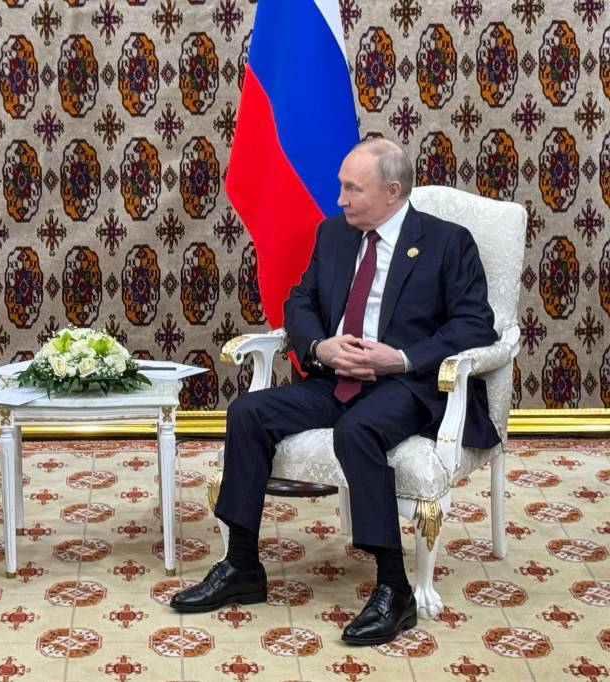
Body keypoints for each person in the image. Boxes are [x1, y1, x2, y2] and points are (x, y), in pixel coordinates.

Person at [170, 138, 500, 645]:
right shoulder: (334, 234)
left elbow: (476, 324)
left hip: (408, 385)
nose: (340, 198)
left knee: (358, 430)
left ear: (392, 191)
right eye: (341, 187)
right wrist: (320, 346)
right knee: (248, 412)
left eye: (352, 189)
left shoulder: (447, 242)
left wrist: (401, 357)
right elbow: (300, 300)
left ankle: (394, 589)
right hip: (336, 379)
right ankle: (241, 565)